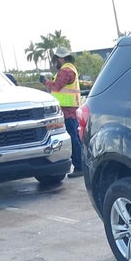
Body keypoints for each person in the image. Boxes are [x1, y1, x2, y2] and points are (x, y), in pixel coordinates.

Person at [42, 46, 83, 178]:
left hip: (67, 110)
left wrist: (45, 82)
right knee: (75, 138)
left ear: (61, 58)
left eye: (57, 59)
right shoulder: (70, 69)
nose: (56, 62)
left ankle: (79, 166)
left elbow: (56, 87)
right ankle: (81, 165)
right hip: (70, 109)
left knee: (72, 139)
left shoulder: (65, 71)